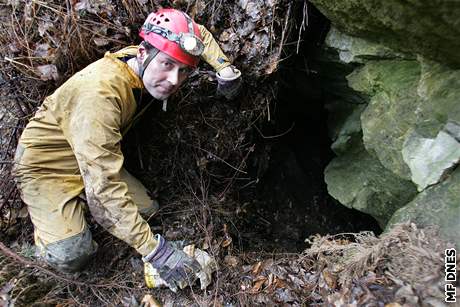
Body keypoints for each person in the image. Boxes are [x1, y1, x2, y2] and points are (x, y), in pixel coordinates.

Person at [12, 8, 241, 291]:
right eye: (167, 65)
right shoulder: (101, 96)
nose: (173, 80)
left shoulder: (141, 56)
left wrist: (224, 68)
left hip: (92, 154)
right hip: (46, 167)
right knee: (72, 255)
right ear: (144, 54)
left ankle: (80, 199)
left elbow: (197, 34)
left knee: (149, 210)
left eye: (183, 71)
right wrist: (156, 252)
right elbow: (104, 193)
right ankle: (49, 234)